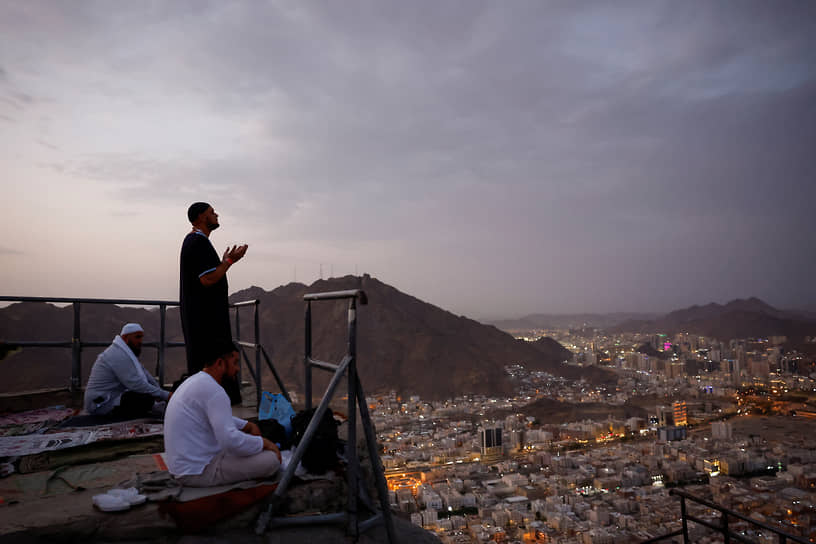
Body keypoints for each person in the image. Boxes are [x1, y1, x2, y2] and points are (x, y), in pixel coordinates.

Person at [163, 341, 281, 487]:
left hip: (184, 468)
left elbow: (212, 417)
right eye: (235, 363)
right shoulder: (215, 392)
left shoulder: (196, 381)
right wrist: (264, 443)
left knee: (248, 448)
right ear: (220, 363)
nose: (237, 369)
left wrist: (246, 425)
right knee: (271, 460)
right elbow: (229, 441)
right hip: (199, 472)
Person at [179, 201, 247, 404]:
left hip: (203, 317)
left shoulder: (197, 242)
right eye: (211, 212)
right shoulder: (197, 242)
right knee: (214, 360)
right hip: (206, 320)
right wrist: (228, 262)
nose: (216, 215)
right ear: (200, 217)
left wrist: (223, 263)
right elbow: (207, 279)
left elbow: (209, 273)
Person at [84, 323, 170, 418]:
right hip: (101, 405)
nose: (140, 341)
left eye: (141, 337)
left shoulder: (126, 352)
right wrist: (166, 396)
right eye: (137, 337)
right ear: (125, 338)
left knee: (145, 397)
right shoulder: (117, 355)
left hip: (113, 397)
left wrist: (161, 392)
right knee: (143, 399)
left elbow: (145, 374)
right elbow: (137, 384)